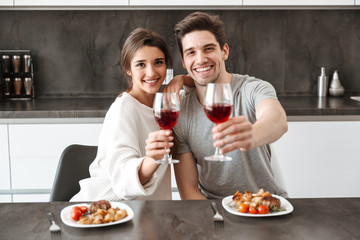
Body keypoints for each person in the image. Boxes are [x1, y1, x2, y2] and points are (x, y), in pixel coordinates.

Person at [169, 12, 288, 199]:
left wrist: (252, 135)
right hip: (213, 211)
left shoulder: (251, 88)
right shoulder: (181, 113)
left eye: (208, 49)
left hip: (263, 207)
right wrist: (218, 220)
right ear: (184, 61)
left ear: (224, 51)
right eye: (191, 52)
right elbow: (189, 191)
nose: (200, 60)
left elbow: (278, 120)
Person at [71, 28, 177, 201]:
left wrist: (181, 80)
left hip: (150, 213)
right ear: (128, 69)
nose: (151, 72)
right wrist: (152, 160)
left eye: (158, 62)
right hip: (106, 211)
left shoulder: (165, 106)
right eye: (141, 64)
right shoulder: (124, 109)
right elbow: (123, 181)